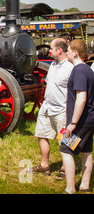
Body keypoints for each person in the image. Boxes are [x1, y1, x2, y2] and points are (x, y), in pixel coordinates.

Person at [33, 38, 73, 177]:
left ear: (59, 50)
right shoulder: (54, 65)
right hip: (47, 107)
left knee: (65, 140)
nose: (49, 50)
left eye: (51, 48)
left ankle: (64, 168)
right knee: (41, 135)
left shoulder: (70, 67)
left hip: (62, 110)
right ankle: (45, 165)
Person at [60, 39, 94, 194]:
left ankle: (70, 188)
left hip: (81, 119)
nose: (66, 52)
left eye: (68, 50)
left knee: (65, 149)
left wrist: (73, 123)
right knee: (86, 151)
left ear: (75, 52)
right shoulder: (88, 69)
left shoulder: (79, 70)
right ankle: (85, 186)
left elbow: (81, 98)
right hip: (89, 117)